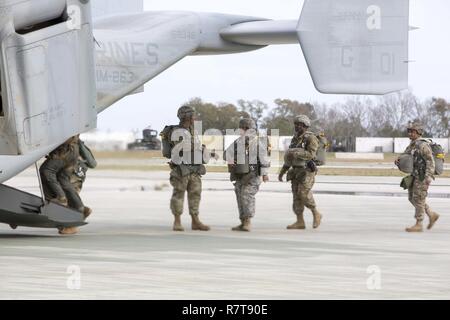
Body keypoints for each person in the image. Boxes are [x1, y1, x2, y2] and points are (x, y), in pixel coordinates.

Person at [161, 105, 215, 232]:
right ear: (187, 116)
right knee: (178, 195)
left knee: (195, 195)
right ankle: (177, 221)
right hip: (181, 169)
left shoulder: (192, 131)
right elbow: (183, 147)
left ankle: (195, 221)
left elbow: (194, 146)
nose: (195, 118)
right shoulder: (176, 132)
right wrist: (200, 148)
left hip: (194, 169)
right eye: (192, 116)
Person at [224, 118, 270, 232]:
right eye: (243, 129)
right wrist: (230, 160)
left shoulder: (257, 143)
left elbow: (264, 160)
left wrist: (264, 174)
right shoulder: (237, 142)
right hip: (239, 176)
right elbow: (226, 153)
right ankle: (243, 222)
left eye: (247, 129)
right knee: (239, 196)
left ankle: (248, 221)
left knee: (246, 195)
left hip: (252, 176)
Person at [278, 115, 323, 230]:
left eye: (299, 124)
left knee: (303, 194)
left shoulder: (311, 138)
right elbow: (289, 158)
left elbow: (311, 155)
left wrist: (296, 152)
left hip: (307, 171)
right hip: (295, 171)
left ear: (305, 126)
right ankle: (300, 221)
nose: (296, 126)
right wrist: (283, 171)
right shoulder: (295, 138)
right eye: (296, 124)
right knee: (296, 197)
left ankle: (316, 213)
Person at [395, 122, 440, 232]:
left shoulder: (422, 145)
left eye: (412, 131)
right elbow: (406, 154)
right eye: (409, 131)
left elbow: (430, 161)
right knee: (412, 198)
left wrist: (428, 177)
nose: (410, 133)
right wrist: (399, 160)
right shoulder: (413, 144)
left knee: (419, 199)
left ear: (418, 132)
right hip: (414, 175)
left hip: (423, 176)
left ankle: (419, 224)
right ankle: (431, 214)